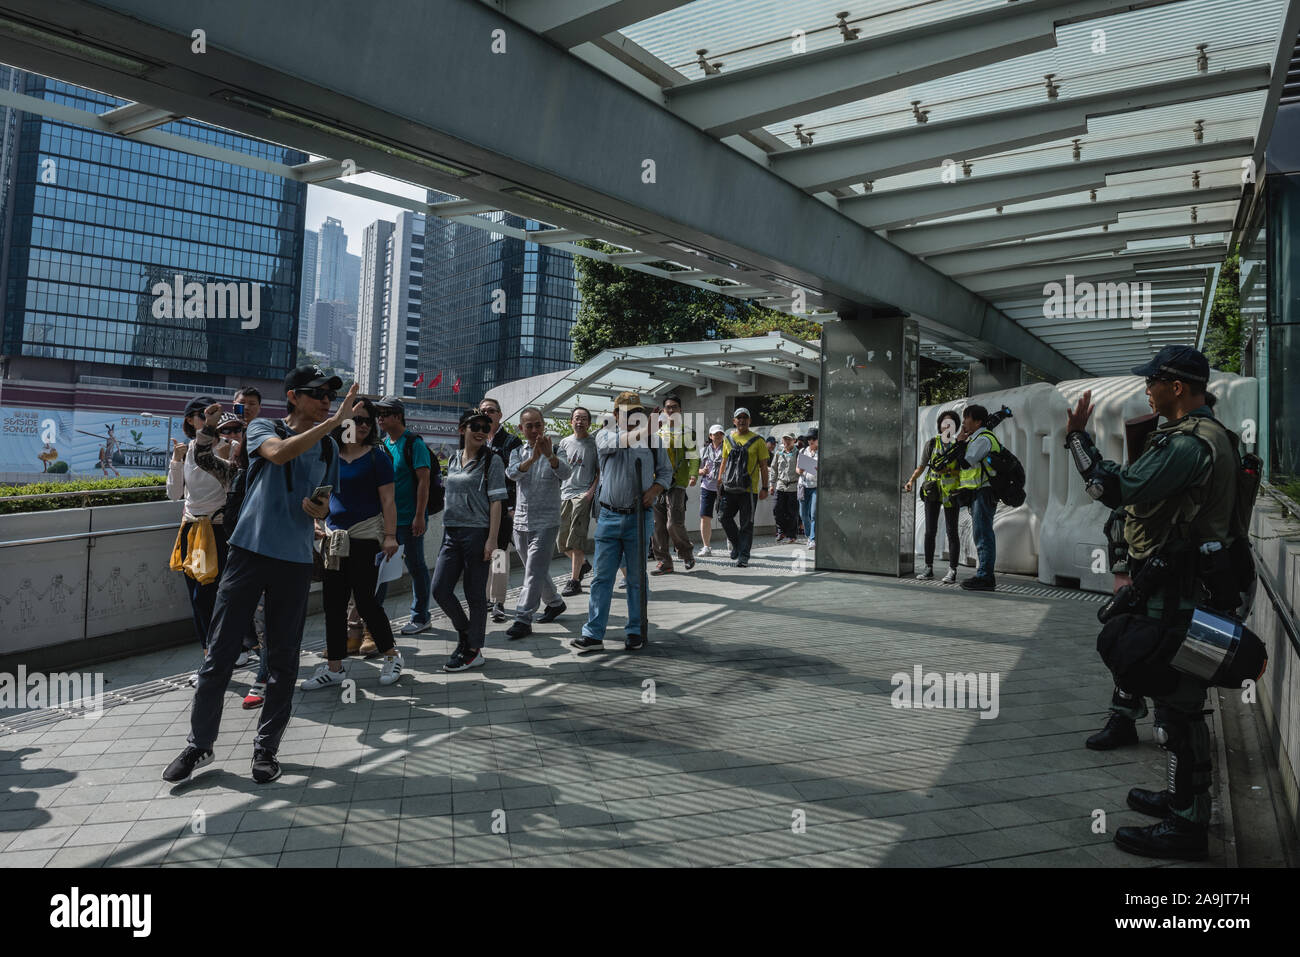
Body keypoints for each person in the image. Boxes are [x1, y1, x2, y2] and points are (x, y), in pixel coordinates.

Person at [1065, 345, 1242, 861]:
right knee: (1175, 701)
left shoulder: (1191, 443)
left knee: (1179, 707)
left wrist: (1077, 438)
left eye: (1154, 381)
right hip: (1187, 587)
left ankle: (1187, 825)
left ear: (1178, 386)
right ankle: (1181, 800)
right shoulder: (1205, 436)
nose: (1147, 388)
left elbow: (1114, 488)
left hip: (1184, 595)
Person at [162, 366, 352, 785]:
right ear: (293, 397)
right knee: (219, 656)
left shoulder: (329, 449)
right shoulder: (267, 426)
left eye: (330, 396)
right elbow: (278, 453)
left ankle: (266, 750)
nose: (326, 401)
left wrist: (320, 511)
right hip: (248, 553)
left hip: (295, 561)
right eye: (317, 394)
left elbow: (324, 498)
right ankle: (199, 744)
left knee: (283, 663)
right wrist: (334, 425)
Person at [300, 397, 403, 691]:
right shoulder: (329, 455)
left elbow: (388, 501)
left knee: (366, 601)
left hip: (365, 537)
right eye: (354, 419)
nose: (360, 425)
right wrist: (319, 523)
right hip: (334, 540)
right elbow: (321, 495)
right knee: (333, 604)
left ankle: (392, 655)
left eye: (366, 421)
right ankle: (334, 666)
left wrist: (391, 536)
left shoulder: (376, 457)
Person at [572, 392, 670, 653]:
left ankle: (635, 630)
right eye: (626, 413)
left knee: (637, 578)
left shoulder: (654, 441)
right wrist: (647, 429)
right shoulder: (604, 435)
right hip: (609, 515)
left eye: (636, 412)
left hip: (640, 517)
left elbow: (665, 472)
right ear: (615, 415)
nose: (631, 417)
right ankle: (593, 634)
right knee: (601, 578)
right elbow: (618, 443)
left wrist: (655, 490)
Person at [166, 396, 242, 684]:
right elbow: (175, 494)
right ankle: (211, 657)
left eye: (214, 414)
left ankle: (218, 659)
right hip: (191, 529)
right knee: (197, 598)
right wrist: (175, 461)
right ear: (190, 420)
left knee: (209, 596)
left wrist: (226, 453)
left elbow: (230, 486)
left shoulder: (231, 448)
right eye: (203, 415)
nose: (210, 419)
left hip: (218, 529)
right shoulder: (184, 452)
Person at [432, 409, 507, 671]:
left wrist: (492, 539)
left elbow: (497, 501)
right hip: (451, 532)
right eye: (475, 425)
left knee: (474, 594)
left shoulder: (492, 461)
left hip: (477, 533)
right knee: (439, 589)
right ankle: (466, 633)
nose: (480, 431)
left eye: (485, 427)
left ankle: (473, 650)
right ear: (461, 428)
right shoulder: (452, 459)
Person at [505, 408, 572, 638]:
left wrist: (548, 457)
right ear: (521, 429)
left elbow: (566, 473)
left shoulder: (556, 448)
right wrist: (532, 458)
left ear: (543, 426)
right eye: (529, 426)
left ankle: (523, 618)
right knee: (535, 569)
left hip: (546, 523)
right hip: (521, 522)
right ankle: (554, 602)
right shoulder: (516, 451)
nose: (534, 430)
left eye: (538, 425)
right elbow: (512, 474)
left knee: (533, 571)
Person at [374, 396, 433, 636]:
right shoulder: (383, 444)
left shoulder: (413, 443)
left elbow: (424, 482)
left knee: (416, 566)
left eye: (384, 414)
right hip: (385, 520)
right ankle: (373, 616)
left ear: (398, 416)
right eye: (379, 414)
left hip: (409, 519)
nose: (380, 419)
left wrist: (420, 516)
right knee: (381, 569)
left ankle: (421, 616)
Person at [904, 411, 963, 582]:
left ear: (955, 427)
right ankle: (928, 568)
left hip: (951, 492)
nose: (947, 426)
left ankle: (952, 570)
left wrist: (948, 471)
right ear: (939, 425)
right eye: (945, 423)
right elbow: (922, 466)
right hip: (932, 491)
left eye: (951, 423)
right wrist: (911, 481)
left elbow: (964, 469)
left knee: (952, 532)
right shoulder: (932, 443)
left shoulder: (958, 446)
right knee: (930, 531)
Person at [480, 397, 523, 622]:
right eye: (483, 410)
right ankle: (485, 598)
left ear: (500, 415)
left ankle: (498, 601)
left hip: (504, 506)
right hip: (479, 509)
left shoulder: (511, 442)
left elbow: (516, 477)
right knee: (483, 554)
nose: (486, 414)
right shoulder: (475, 440)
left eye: (491, 411)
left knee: (499, 554)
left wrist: (513, 507)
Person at [951, 405, 1001, 591]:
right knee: (981, 533)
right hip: (980, 492)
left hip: (984, 492)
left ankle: (986, 577)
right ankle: (984, 575)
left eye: (967, 418)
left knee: (983, 534)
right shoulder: (979, 438)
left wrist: (960, 443)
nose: (963, 422)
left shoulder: (983, 439)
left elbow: (965, 462)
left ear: (978, 421)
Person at [651, 394, 698, 575]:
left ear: (680, 410)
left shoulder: (686, 432)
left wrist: (693, 475)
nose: (671, 410)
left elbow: (693, 456)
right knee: (657, 525)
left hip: (677, 482)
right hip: (656, 483)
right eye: (668, 407)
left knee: (673, 524)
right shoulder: (657, 433)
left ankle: (686, 554)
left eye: (675, 407)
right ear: (663, 410)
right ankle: (664, 562)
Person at [717, 408, 770, 567]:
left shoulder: (758, 441)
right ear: (734, 421)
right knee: (723, 517)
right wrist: (719, 481)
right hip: (729, 487)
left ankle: (743, 556)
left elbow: (763, 466)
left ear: (750, 421)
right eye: (738, 418)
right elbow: (724, 462)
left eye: (745, 417)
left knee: (747, 524)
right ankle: (738, 545)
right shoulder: (727, 439)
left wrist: (765, 487)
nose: (742, 420)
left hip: (749, 490)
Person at [558, 407, 599, 597]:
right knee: (562, 542)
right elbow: (557, 469)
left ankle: (574, 581)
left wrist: (590, 493)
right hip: (564, 494)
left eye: (584, 418)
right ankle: (583, 564)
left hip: (583, 495)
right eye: (576, 418)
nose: (580, 421)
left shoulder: (595, 443)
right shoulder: (564, 443)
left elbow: (601, 471)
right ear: (570, 421)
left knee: (576, 539)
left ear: (589, 423)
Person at [697, 423, 725, 556]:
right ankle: (706, 546)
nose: (718, 436)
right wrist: (702, 470)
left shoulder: (727, 449)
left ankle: (731, 540)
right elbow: (697, 469)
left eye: (720, 433)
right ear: (710, 436)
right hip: (707, 486)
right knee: (705, 516)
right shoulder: (704, 450)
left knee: (726, 516)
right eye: (715, 434)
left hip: (723, 487)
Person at [769, 430, 800, 544]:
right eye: (784, 439)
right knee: (776, 508)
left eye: (789, 439)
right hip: (780, 485)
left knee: (792, 512)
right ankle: (780, 531)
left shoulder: (798, 453)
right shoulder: (778, 453)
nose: (786, 441)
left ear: (794, 441)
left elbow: (806, 469)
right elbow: (774, 469)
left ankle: (791, 535)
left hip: (793, 485)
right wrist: (771, 484)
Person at [796, 428, 819, 549]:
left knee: (814, 513)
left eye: (813, 438)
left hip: (816, 486)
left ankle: (813, 539)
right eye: (809, 438)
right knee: (803, 514)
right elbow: (798, 470)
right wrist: (805, 467)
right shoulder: (803, 451)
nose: (811, 441)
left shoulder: (822, 452)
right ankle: (809, 535)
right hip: (803, 485)